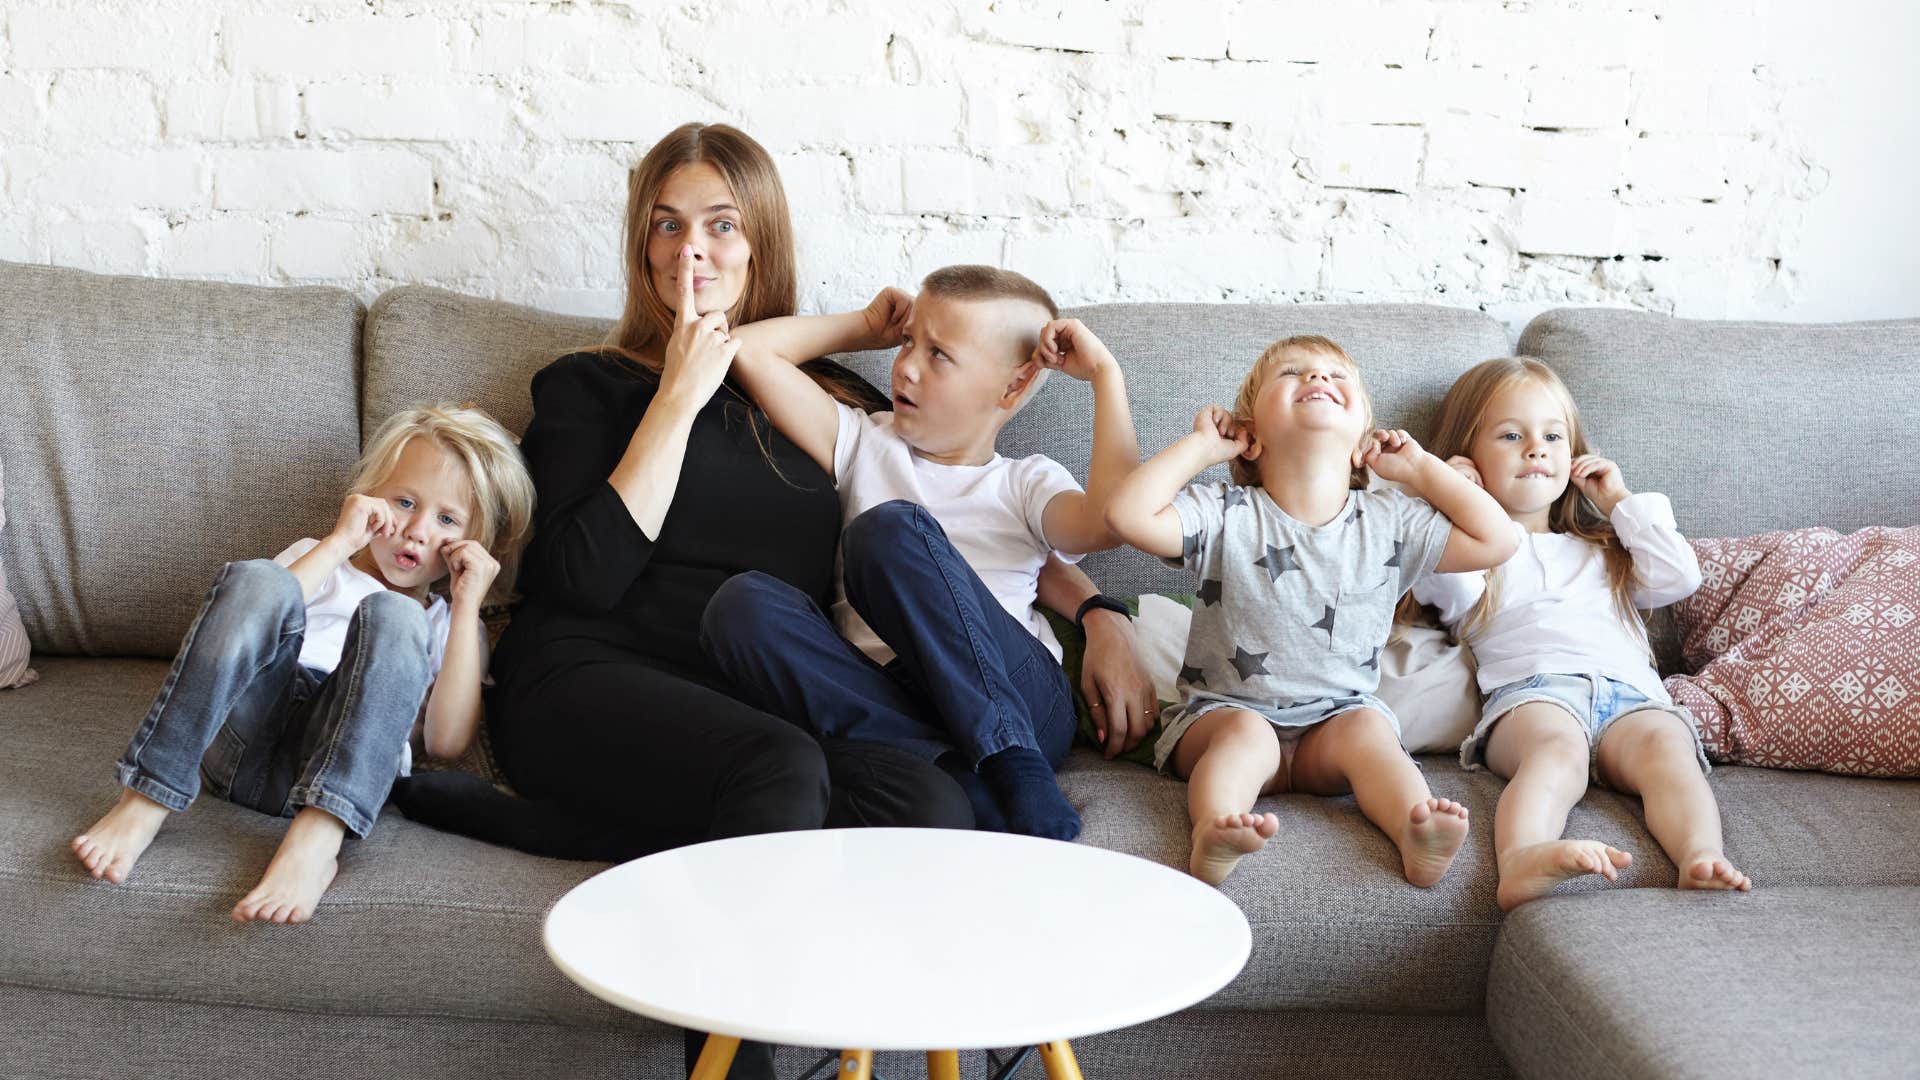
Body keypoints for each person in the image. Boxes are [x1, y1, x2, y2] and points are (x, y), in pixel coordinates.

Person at [703, 264, 1142, 839]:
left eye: (939, 354)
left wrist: (1106, 376)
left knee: (887, 532)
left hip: (1019, 699)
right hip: (888, 694)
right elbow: (739, 348)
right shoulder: (864, 441)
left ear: (1012, 387)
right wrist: (863, 325)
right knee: (739, 608)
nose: (905, 365)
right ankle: (956, 779)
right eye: (909, 340)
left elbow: (1114, 519)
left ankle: (1013, 767)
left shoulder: (1026, 482)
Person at [72, 403, 533, 923]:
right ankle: (146, 799)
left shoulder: (450, 625)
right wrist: (340, 543)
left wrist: (469, 602)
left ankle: (317, 840)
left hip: (340, 766)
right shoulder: (320, 556)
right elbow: (247, 624)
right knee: (259, 579)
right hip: (242, 738)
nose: (417, 530)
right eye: (404, 501)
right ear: (370, 497)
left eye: (447, 519)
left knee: (395, 615)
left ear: (477, 543)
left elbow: (447, 743)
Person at [1105, 335, 1516, 886]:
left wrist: (1421, 471)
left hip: (1332, 727)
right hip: (1224, 714)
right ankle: (1214, 830)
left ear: (1362, 441)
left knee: (1370, 726)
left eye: (1335, 376)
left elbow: (1499, 540)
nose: (1318, 379)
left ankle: (1415, 829)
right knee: (1247, 735)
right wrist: (1201, 449)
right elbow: (1126, 515)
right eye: (1293, 373)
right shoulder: (1224, 513)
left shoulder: (1390, 519)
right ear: (1250, 437)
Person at [1411, 356, 1750, 910]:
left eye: (1551, 435)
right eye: (1511, 435)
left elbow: (1679, 575)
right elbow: (1432, 572)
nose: (1535, 449)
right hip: (1535, 694)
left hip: (1633, 697)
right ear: (1469, 456)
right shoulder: (1475, 556)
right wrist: (1449, 495)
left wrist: (1618, 501)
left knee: (1669, 751)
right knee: (1556, 752)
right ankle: (1522, 859)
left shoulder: (1605, 547)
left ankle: (1699, 856)